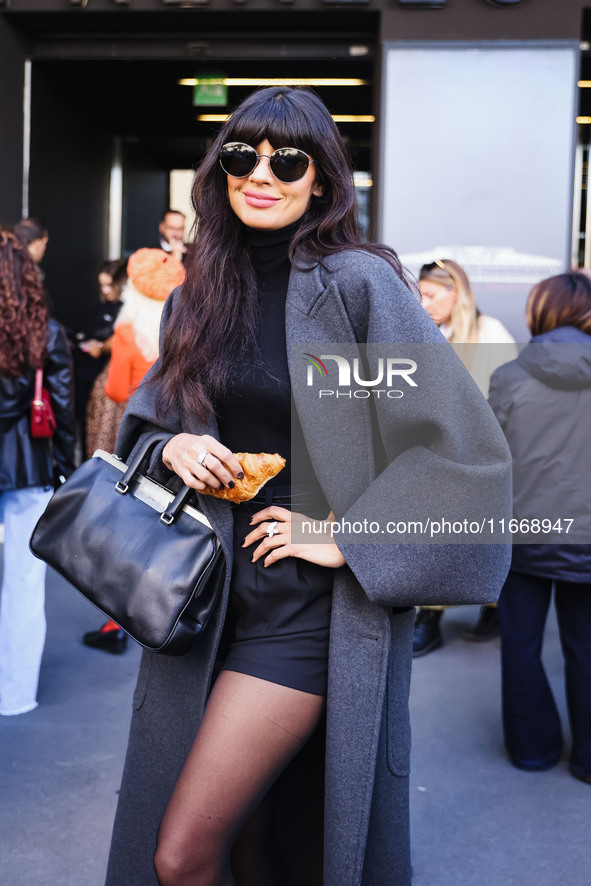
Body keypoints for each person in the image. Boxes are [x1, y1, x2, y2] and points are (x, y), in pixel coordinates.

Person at [104, 87, 511, 886]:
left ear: (320, 180)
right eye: (241, 156)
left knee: (180, 855)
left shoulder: (359, 285)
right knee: (259, 843)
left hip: (305, 611)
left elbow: (463, 449)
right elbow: (150, 424)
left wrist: (350, 536)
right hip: (208, 595)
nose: (261, 173)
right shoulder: (198, 294)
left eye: (286, 160)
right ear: (219, 171)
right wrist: (176, 445)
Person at [488, 271, 591, 784]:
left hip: (525, 533)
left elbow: (489, 458)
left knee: (522, 643)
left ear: (541, 311)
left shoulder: (509, 376)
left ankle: (532, 749)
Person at [413, 257, 517, 656]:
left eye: (431, 295)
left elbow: (504, 403)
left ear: (457, 292)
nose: (423, 303)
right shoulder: (427, 331)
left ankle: (491, 609)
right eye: (419, 294)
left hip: (481, 456)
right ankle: (431, 616)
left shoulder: (491, 333)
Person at [82, 248, 184, 655]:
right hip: (172, 441)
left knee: (119, 527)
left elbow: (116, 390)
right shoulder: (183, 330)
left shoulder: (126, 333)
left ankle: (116, 625)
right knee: (159, 525)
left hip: (131, 438)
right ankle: (161, 614)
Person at [0, 231, 75, 715]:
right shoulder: (45, 331)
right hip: (28, 466)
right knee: (24, 586)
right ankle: (13, 695)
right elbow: (62, 408)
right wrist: (67, 470)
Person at [75, 259, 127, 460]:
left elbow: (122, 338)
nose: (105, 290)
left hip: (110, 384)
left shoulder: (128, 310)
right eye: (102, 285)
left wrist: (101, 347)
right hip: (88, 377)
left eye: (109, 285)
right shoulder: (102, 306)